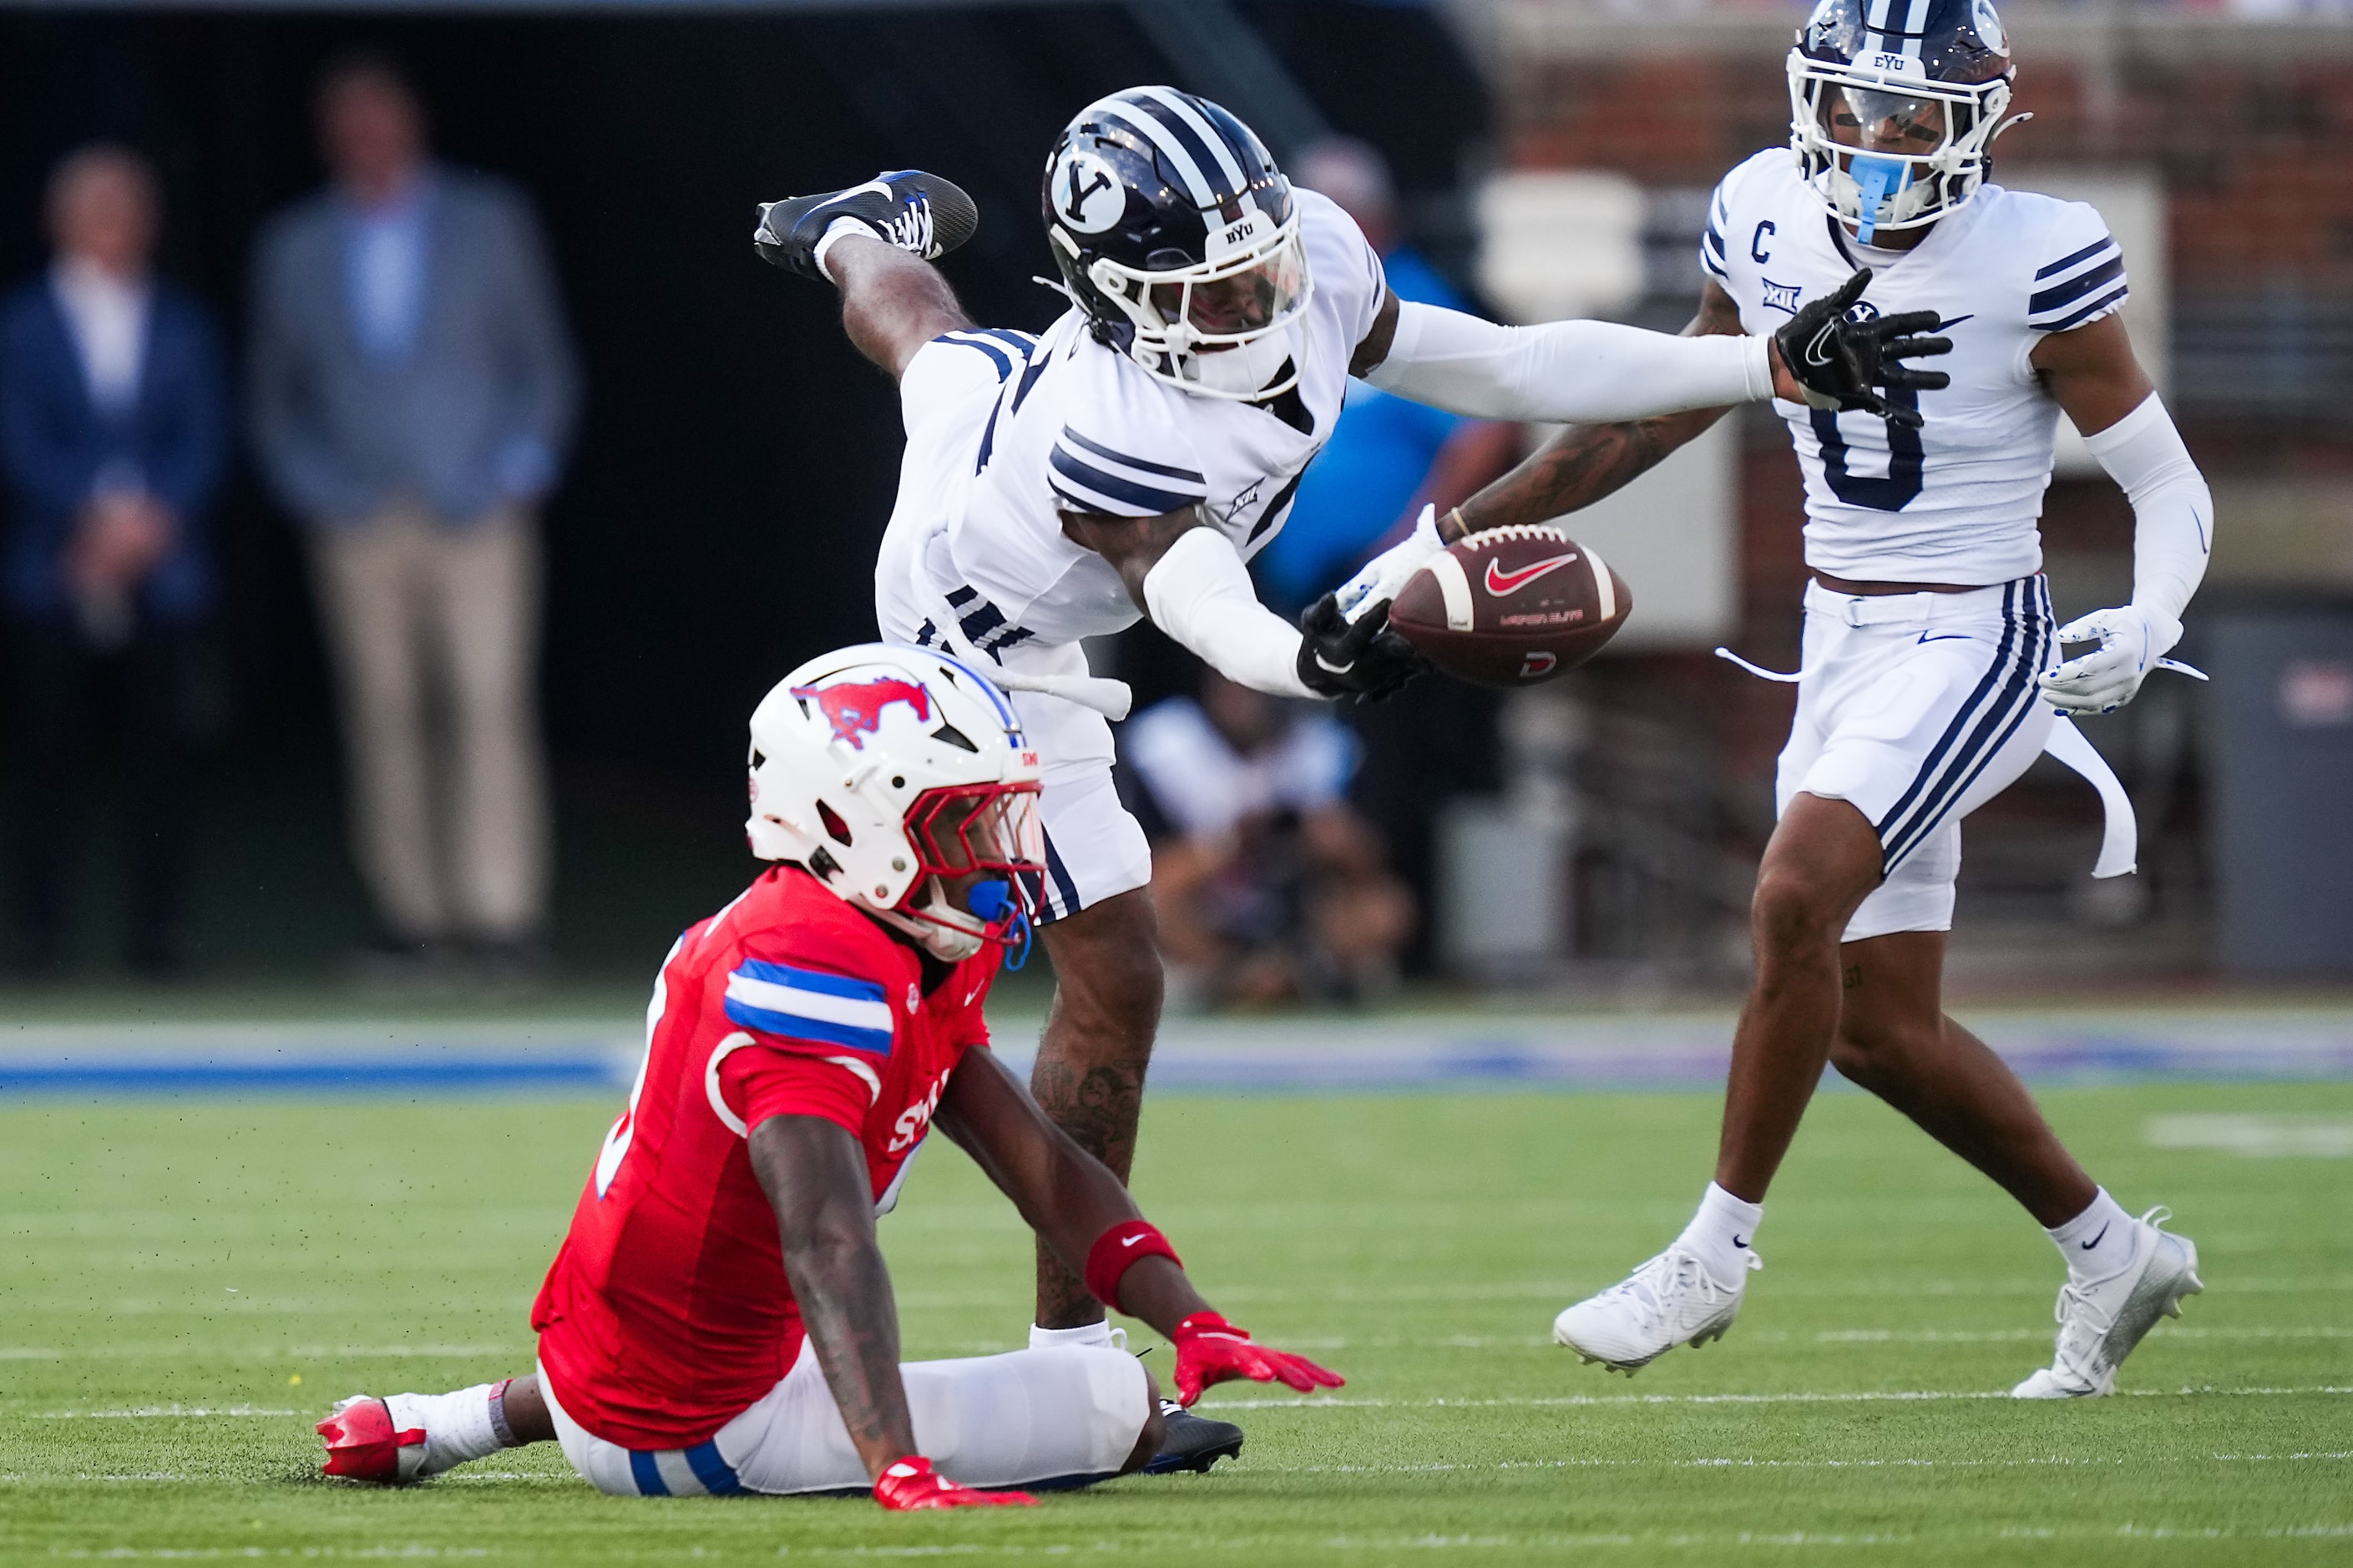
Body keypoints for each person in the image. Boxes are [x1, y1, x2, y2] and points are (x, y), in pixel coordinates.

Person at [748, 87, 1940, 1369]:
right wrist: (1309, 661)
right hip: (984, 631)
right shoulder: (1111, 427)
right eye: (1213, 295)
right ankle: (1041, 1352)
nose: (1257, 304)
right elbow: (1193, 598)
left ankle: (855, 233)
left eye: (1257, 265)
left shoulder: (1307, 251)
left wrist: (1758, 363)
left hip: (1004, 418)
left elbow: (1508, 362)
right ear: (1116, 307)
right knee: (1035, 981)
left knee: (934, 349)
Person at [1451, 0, 2209, 1398]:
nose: (1871, 142)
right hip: (1837, 632)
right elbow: (1661, 401)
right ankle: (2111, 1253)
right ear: (1804, 98)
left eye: (1908, 115)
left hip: (1974, 633)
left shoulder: (2036, 253)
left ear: (1976, 121)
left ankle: (1712, 1253)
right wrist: (1454, 541)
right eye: (1848, 108)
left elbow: (2164, 482)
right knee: (1873, 1026)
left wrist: (2151, 614)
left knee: (1790, 894)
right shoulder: (1755, 208)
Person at [315, 645, 1338, 1501]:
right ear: (855, 822)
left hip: (629, 1353)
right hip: (690, 1427)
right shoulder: (814, 975)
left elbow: (1040, 1163)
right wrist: (897, 1467)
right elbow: (829, 1241)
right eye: (966, 822)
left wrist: (1188, 1314)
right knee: (1116, 1412)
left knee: (751, 1321)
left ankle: (442, 1426)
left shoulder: (883, 935)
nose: (999, 852)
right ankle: (489, 1427)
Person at [250, 55, 579, 978]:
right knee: (382, 712)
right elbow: (277, 399)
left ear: (413, 125)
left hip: (478, 512)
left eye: (379, 120)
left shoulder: (490, 220)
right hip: (359, 520)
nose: (367, 139)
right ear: (329, 139)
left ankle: (503, 917)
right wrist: (316, 489)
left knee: (488, 702)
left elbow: (542, 366)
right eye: (347, 125)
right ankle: (413, 917)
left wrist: (521, 468)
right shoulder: (295, 244)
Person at [0, 144, 228, 976]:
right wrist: (89, 519)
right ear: (61, 222)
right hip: (53, 565)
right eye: (98, 211)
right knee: (46, 757)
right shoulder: (20, 326)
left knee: (161, 760)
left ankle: (158, 936)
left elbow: (204, 439)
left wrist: (147, 526)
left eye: (129, 211)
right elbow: (18, 440)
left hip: (163, 572)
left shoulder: (183, 321)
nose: (115, 229)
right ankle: (41, 935)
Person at [1252, 137, 1516, 617]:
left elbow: (1485, 432)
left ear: (1368, 223)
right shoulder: (1293, 305)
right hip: (1290, 574)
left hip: (1379, 582)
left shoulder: (1412, 304)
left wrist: (1412, 545)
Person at [1125, 670, 1412, 1007]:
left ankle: (1301, 973)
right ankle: (1227, 977)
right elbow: (1143, 872)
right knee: (1146, 903)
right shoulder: (1165, 746)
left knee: (1386, 908)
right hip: (1212, 907)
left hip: (1296, 910)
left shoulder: (1321, 749)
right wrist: (1229, 842)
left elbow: (1370, 864)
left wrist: (1328, 838)